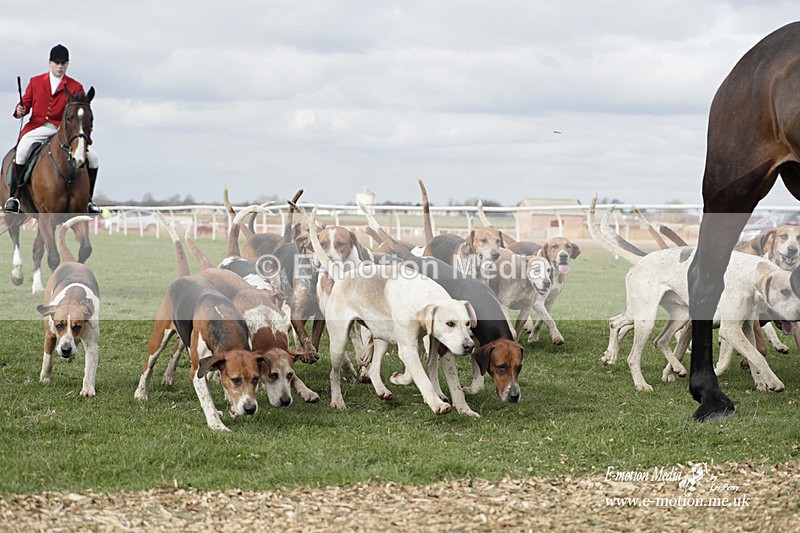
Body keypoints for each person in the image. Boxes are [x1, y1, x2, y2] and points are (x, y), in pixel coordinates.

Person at [5, 44, 100, 214]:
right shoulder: (35, 82)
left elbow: (79, 114)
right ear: (50, 63)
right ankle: (15, 197)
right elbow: (26, 104)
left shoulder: (76, 87)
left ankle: (88, 201)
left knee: (94, 158)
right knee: (22, 151)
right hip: (37, 127)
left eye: (63, 63)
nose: (60, 66)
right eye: (56, 63)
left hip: (62, 131)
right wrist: (20, 110)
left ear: (67, 64)